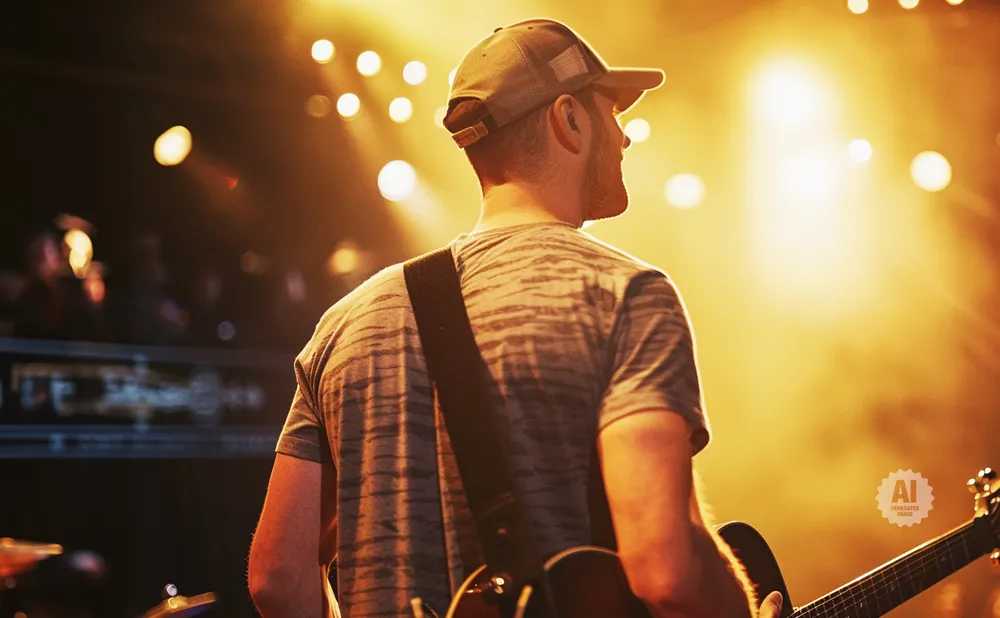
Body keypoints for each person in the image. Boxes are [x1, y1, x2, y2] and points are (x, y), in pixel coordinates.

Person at [248, 18, 782, 618]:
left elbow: (278, 578)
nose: (624, 137)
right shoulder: (621, 293)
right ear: (569, 119)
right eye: (611, 112)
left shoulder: (343, 326)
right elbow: (667, 571)